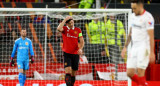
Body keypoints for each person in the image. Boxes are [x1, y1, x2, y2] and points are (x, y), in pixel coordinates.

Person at [121, 0, 155, 85]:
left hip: (144, 47)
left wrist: (152, 52)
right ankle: (144, 84)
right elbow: (130, 33)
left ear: (140, 6)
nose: (133, 11)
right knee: (129, 73)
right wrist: (125, 47)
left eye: (134, 8)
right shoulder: (132, 16)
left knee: (140, 73)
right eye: (132, 9)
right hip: (134, 47)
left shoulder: (148, 17)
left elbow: (151, 37)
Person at [57, 16, 84, 86]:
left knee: (73, 73)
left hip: (75, 54)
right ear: (66, 24)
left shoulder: (78, 30)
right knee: (68, 72)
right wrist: (65, 19)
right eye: (69, 23)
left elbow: (82, 41)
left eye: (72, 22)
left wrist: (80, 48)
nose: (71, 24)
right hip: (67, 54)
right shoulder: (64, 29)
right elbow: (58, 28)